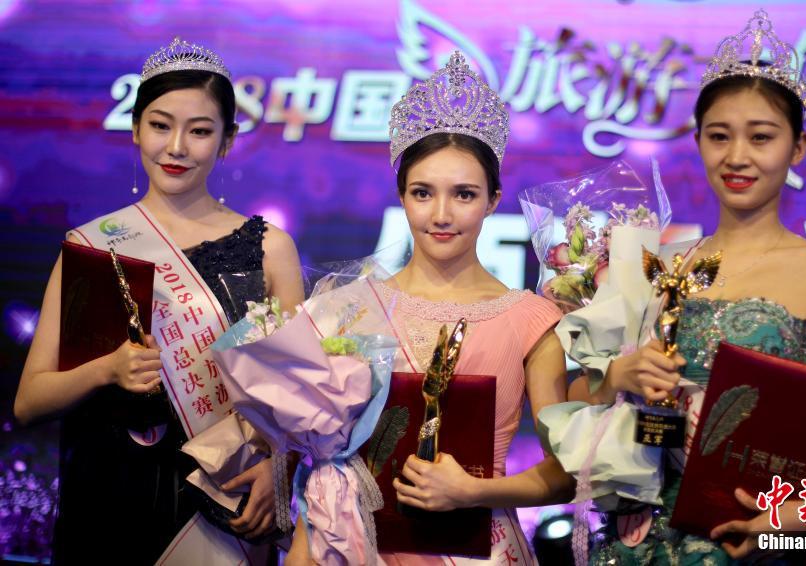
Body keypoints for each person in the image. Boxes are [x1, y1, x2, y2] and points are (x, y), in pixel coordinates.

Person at [561, 10, 806, 564]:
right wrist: (618, 376)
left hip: (771, 537)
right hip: (641, 538)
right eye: (719, 136)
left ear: (798, 147)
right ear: (698, 142)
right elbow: (575, 402)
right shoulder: (656, 265)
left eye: (761, 137)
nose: (737, 156)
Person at [14, 38, 303, 564]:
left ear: (228, 141)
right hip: (110, 497)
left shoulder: (271, 250)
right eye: (160, 125)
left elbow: (301, 395)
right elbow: (30, 400)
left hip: (227, 499)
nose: (176, 147)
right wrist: (107, 369)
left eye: (200, 131)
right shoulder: (92, 246)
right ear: (135, 129)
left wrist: (279, 469)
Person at [284, 52, 574, 566]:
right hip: (360, 548)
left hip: (479, 551)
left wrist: (473, 491)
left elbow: (564, 476)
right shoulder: (346, 309)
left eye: (464, 194)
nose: (441, 214)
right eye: (423, 193)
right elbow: (322, 462)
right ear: (402, 196)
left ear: (492, 200)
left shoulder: (530, 321)